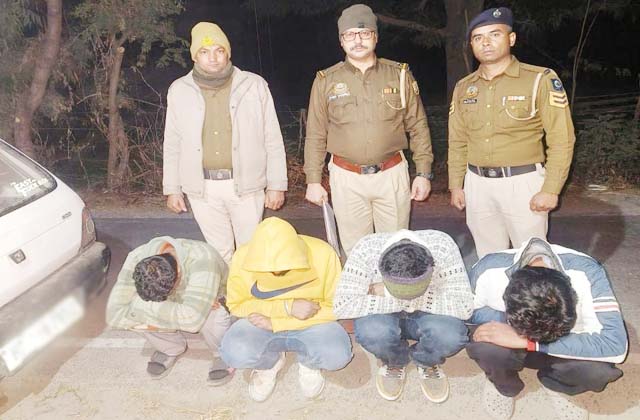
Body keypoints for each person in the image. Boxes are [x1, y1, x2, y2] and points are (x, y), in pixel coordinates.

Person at [304, 4, 434, 255]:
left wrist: (423, 172)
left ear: (375, 37)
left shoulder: (399, 75)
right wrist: (313, 180)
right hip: (346, 178)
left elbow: (418, 125)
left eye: (364, 33)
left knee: (396, 249)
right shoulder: (326, 81)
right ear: (341, 41)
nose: (358, 40)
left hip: (391, 174)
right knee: (356, 252)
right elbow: (316, 134)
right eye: (350, 35)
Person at [447, 7, 576, 258]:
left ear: (511, 38)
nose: (486, 43)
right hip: (477, 184)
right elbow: (458, 140)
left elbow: (562, 138)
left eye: (494, 34)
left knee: (532, 260)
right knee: (488, 259)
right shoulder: (464, 87)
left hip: (523, 183)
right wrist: (456, 185)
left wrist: (551, 189)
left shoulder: (539, 79)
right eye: (478, 38)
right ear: (471, 45)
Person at [163, 21, 288, 263]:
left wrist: (277, 184)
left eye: (219, 50)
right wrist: (172, 188)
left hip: (247, 186)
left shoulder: (254, 85)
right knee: (218, 253)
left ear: (228, 53)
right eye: (204, 51)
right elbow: (172, 144)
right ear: (195, 56)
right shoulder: (179, 90)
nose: (213, 58)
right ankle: (225, 288)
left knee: (250, 252)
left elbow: (272, 138)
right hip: (203, 188)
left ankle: (249, 289)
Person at [468, 237, 627, 419]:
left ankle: (559, 385)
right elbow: (468, 312)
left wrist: (530, 342)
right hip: (514, 339)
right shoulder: (488, 269)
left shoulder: (588, 272)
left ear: (571, 296)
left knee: (596, 371)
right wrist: (502, 323)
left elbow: (615, 345)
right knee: (486, 344)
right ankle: (503, 386)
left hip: (563, 346)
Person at [220, 217, 352, 402]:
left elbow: (339, 306)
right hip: (261, 322)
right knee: (234, 353)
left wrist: (278, 323)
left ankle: (309, 363)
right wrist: (286, 308)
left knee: (337, 355)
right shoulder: (242, 256)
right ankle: (269, 363)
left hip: (312, 322)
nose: (276, 273)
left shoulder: (322, 253)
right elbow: (236, 305)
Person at [334, 229, 473, 403]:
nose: (407, 300)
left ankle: (426, 361)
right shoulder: (366, 249)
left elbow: (465, 307)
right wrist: (401, 297)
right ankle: (395, 361)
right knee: (373, 332)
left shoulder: (442, 246)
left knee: (451, 336)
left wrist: (388, 294)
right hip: (387, 312)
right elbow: (341, 306)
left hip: (427, 311)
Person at [106, 236, 233, 385]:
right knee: (138, 313)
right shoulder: (136, 258)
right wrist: (149, 311)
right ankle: (170, 348)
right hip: (179, 304)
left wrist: (140, 309)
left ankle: (222, 353)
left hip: (213, 297)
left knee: (213, 312)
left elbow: (193, 321)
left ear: (178, 273)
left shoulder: (203, 259)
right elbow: (113, 314)